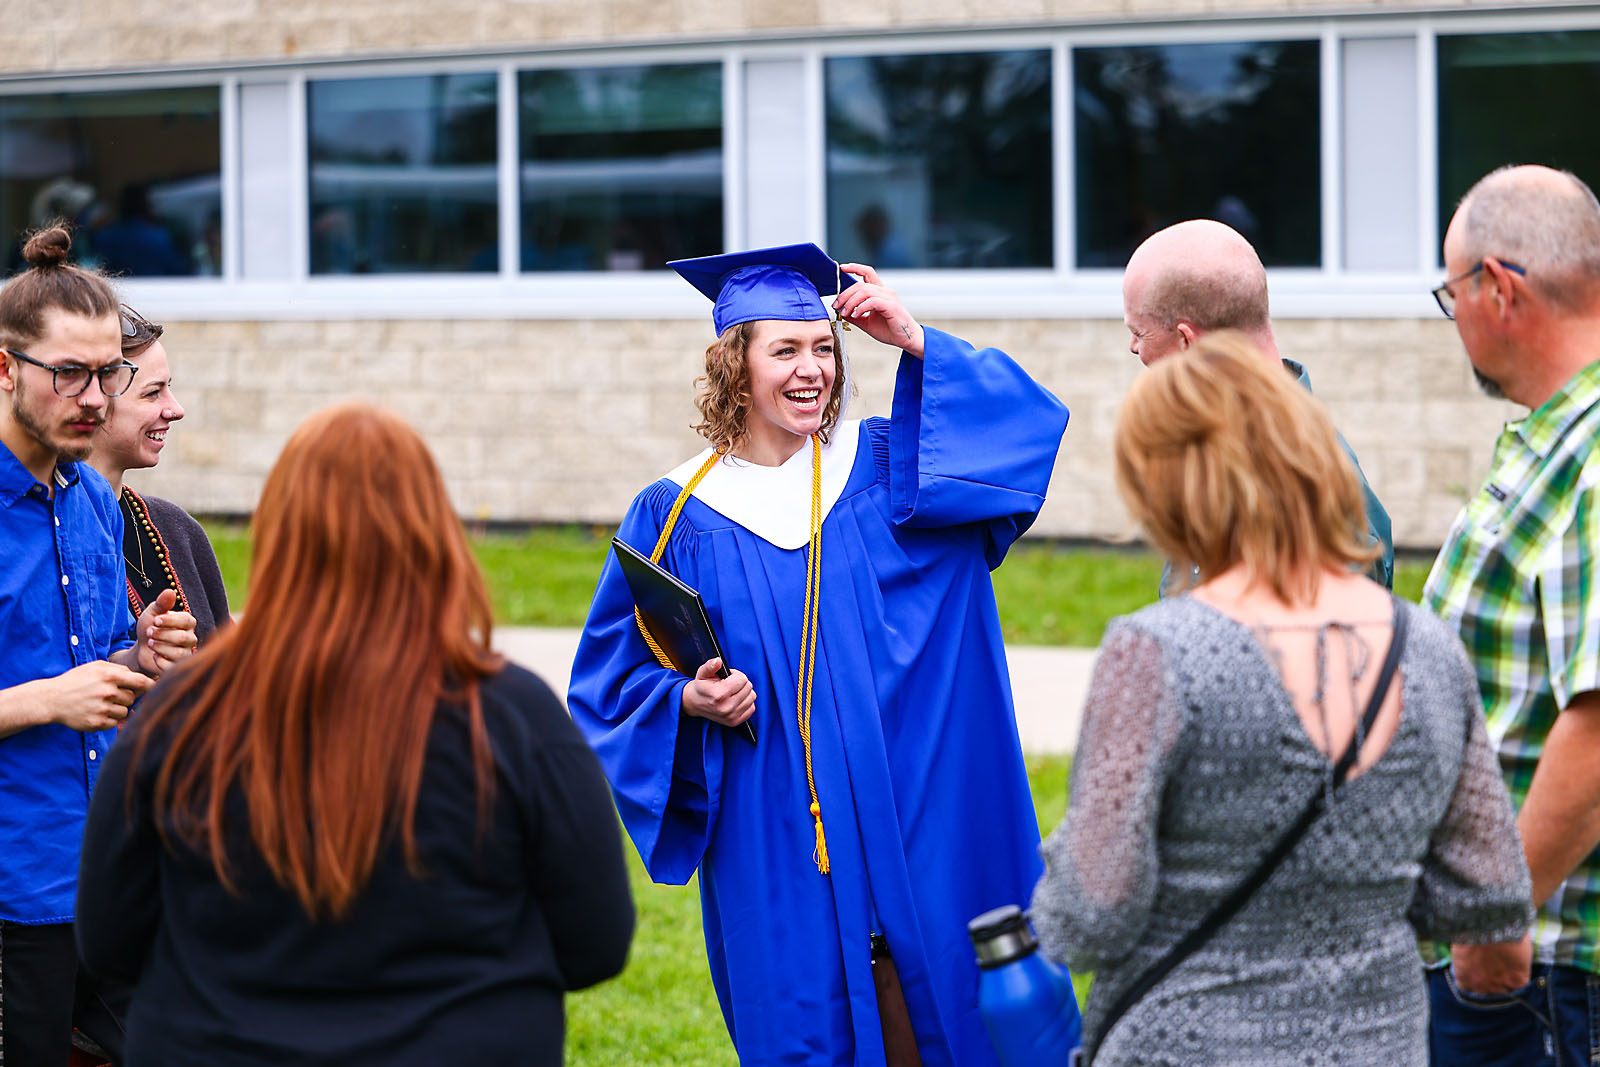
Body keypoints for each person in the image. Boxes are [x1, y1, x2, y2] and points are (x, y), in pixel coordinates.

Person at [567, 243, 1070, 1065]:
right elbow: (609, 686)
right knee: (807, 1027)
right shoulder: (676, 513)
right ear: (736, 364)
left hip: (914, 812)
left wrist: (914, 340)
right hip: (776, 841)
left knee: (947, 1011)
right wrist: (687, 702)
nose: (812, 371)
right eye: (785, 350)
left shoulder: (883, 470)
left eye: (824, 348)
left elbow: (1021, 437)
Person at [75, 402, 635, 1066]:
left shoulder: (181, 717)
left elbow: (109, 940)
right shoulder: (512, 715)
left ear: (279, 535)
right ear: (433, 534)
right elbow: (595, 941)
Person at [1029, 332, 1532, 1067]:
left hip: (1183, 1043)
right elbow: (1488, 896)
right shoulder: (1426, 647)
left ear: (1167, 484)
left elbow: (1091, 917)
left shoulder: (1159, 650)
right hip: (1378, 1043)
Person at [0, 225, 199, 1065]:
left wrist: (142, 657)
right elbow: (59, 691)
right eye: (70, 373)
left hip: (103, 877)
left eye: (109, 372)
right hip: (12, 898)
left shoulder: (89, 497)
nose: (94, 396)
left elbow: (104, 664)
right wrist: (50, 698)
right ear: (5, 369)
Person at [1423, 164, 1600, 1064]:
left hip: (1550, 973)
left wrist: (1495, 917)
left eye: (1450, 293)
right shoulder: (1558, 433)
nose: (1453, 318)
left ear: (1497, 287)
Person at [1121, 218, 1394, 591]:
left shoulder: (1303, 495)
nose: (1134, 349)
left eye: (1139, 333)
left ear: (1187, 342)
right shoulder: (1233, 449)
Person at [88, 303, 230, 642]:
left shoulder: (176, 528)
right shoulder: (45, 533)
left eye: (169, 388)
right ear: (91, 400)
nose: (176, 409)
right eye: (153, 392)